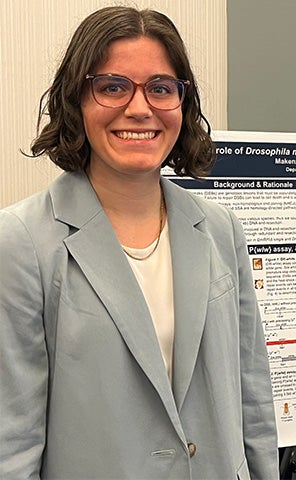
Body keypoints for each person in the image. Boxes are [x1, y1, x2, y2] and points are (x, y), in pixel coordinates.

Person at [0, 6, 278, 479]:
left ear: (182, 104)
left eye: (161, 88)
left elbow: (252, 393)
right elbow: (13, 441)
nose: (139, 108)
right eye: (112, 86)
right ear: (76, 101)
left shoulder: (220, 229)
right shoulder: (22, 242)